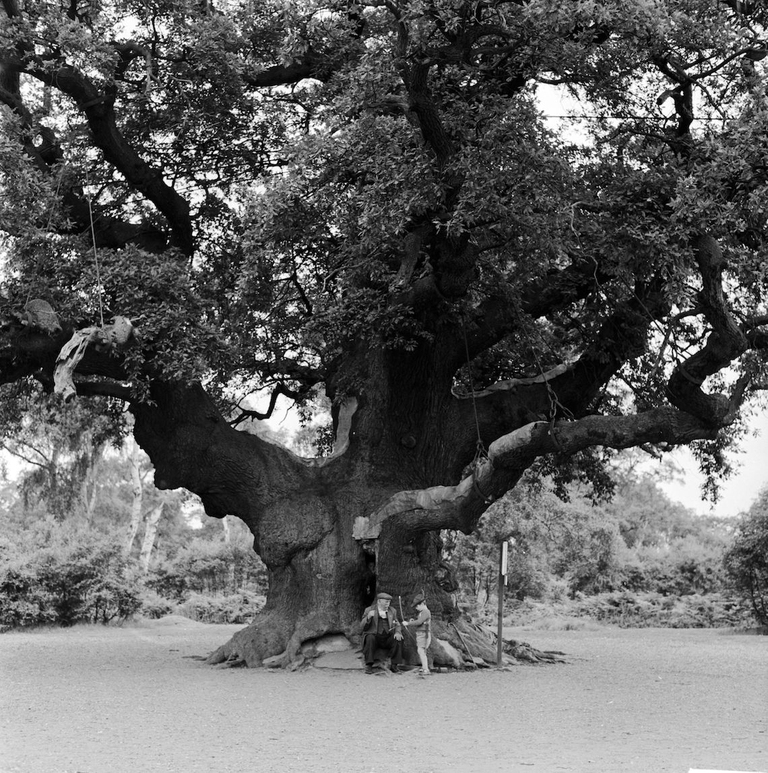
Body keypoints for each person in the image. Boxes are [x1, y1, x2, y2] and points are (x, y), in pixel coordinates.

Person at [360, 591, 404, 674]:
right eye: (386, 602)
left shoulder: (392, 611)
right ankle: (369, 665)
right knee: (369, 638)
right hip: (375, 636)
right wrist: (368, 617)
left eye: (389, 602)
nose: (388, 604)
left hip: (387, 637)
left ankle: (394, 665)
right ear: (379, 601)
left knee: (398, 639)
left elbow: (397, 624)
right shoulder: (369, 610)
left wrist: (398, 632)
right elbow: (362, 627)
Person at [402, 593, 431, 675]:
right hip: (421, 634)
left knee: (421, 651)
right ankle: (424, 667)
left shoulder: (425, 612)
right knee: (421, 651)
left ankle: (426, 669)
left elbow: (419, 622)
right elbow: (419, 622)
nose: (416, 608)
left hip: (424, 634)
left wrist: (408, 623)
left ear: (422, 604)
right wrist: (412, 621)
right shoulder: (422, 612)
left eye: (417, 606)